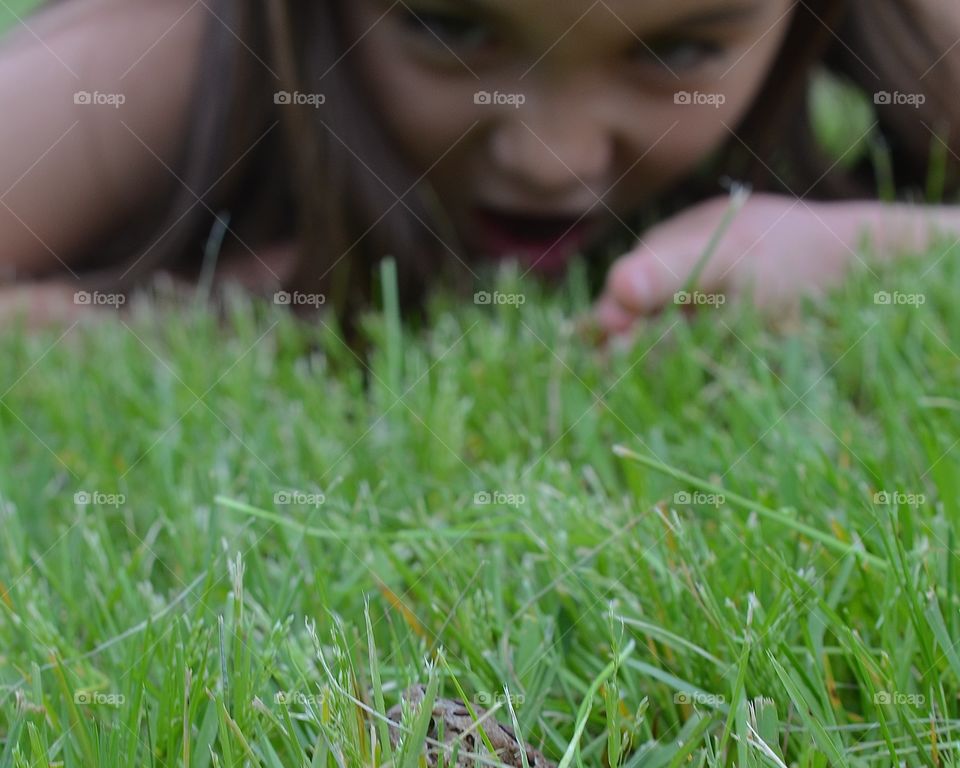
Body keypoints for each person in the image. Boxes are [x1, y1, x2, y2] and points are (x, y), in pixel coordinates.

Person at [0, 0, 958, 338]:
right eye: (450, 28)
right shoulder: (153, 58)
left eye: (676, 54)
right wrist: (194, 314)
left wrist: (868, 248)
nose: (554, 159)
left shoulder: (913, 23)